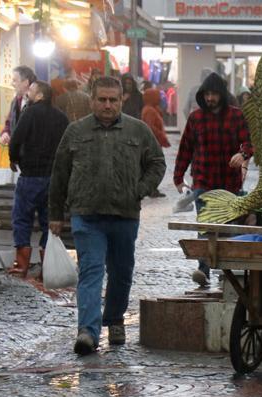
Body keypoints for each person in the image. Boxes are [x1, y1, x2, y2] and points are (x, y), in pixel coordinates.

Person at [48, 76, 166, 355]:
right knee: (90, 271)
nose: (108, 105)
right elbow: (60, 173)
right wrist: (55, 213)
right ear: (92, 99)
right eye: (102, 99)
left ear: (122, 100)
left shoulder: (137, 131)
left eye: (113, 99)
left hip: (124, 214)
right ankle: (87, 331)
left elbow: (156, 162)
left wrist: (140, 189)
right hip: (86, 215)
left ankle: (114, 319)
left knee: (121, 272)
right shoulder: (75, 131)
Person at [174, 72, 252, 287]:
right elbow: (185, 150)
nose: (210, 98)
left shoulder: (237, 117)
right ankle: (203, 269)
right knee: (207, 226)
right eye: (207, 94)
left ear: (222, 95)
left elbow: (249, 142)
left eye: (214, 94)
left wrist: (243, 154)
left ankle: (226, 272)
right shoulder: (196, 119)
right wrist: (178, 178)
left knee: (227, 228)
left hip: (229, 185)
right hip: (203, 182)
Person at [8, 81, 69, 278]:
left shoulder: (30, 112)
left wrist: (13, 158)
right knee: (48, 222)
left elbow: (16, 138)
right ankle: (47, 268)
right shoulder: (61, 117)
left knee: (22, 220)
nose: (28, 93)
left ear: (40, 95)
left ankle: (21, 266)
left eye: (32, 91)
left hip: (31, 176)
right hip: (53, 178)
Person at [141, 88, 170, 198]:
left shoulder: (152, 109)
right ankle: (151, 189)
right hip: (153, 143)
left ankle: (152, 188)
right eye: (157, 96)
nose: (159, 98)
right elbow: (151, 127)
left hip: (154, 143)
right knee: (155, 166)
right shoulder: (150, 110)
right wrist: (161, 137)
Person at [0, 65, 36, 146]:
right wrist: (5, 133)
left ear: (26, 82)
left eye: (14, 80)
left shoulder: (36, 103)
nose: (11, 84)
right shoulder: (15, 101)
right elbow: (9, 123)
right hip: (17, 154)